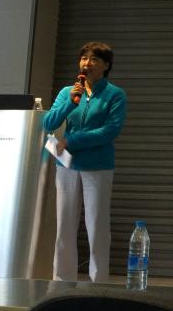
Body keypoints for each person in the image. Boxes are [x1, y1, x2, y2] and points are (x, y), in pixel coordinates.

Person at [42, 41, 127, 282]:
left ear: (106, 65)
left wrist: (72, 141)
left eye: (94, 59)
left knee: (96, 225)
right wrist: (70, 101)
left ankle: (98, 282)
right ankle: (62, 280)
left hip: (98, 166)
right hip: (66, 165)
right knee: (64, 225)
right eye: (83, 58)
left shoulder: (115, 94)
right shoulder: (68, 91)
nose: (87, 63)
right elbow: (49, 123)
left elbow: (110, 131)